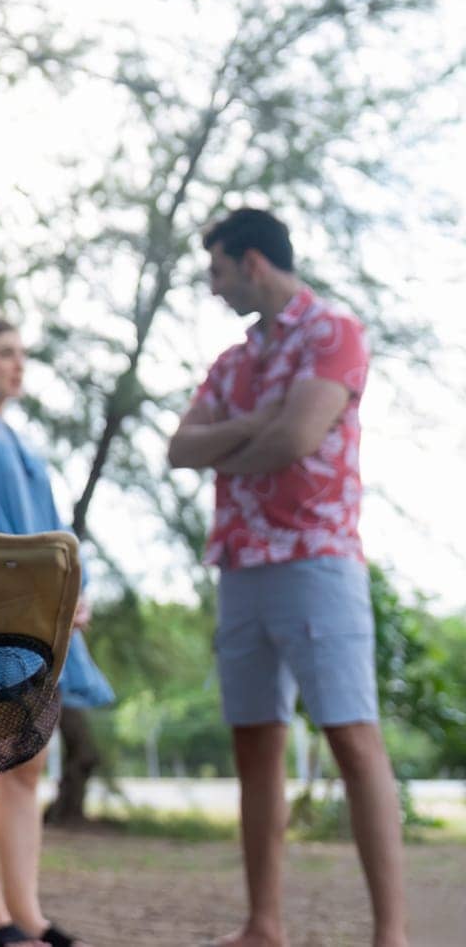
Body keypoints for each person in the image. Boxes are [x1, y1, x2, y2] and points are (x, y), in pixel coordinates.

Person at [167, 207, 406, 947]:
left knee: (353, 738)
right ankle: (262, 924)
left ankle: (390, 933)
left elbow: (299, 438)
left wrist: (235, 443)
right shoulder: (235, 360)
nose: (212, 286)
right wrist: (255, 426)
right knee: (254, 743)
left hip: (318, 561)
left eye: (216, 270)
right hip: (241, 566)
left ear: (253, 263)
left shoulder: (334, 331)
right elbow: (181, 447)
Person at [0, 317, 112, 947]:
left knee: (29, 770)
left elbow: (53, 526)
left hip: (45, 612)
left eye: (23, 355)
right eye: (4, 353)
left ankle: (31, 916)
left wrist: (77, 589)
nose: (18, 364)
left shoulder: (22, 441)